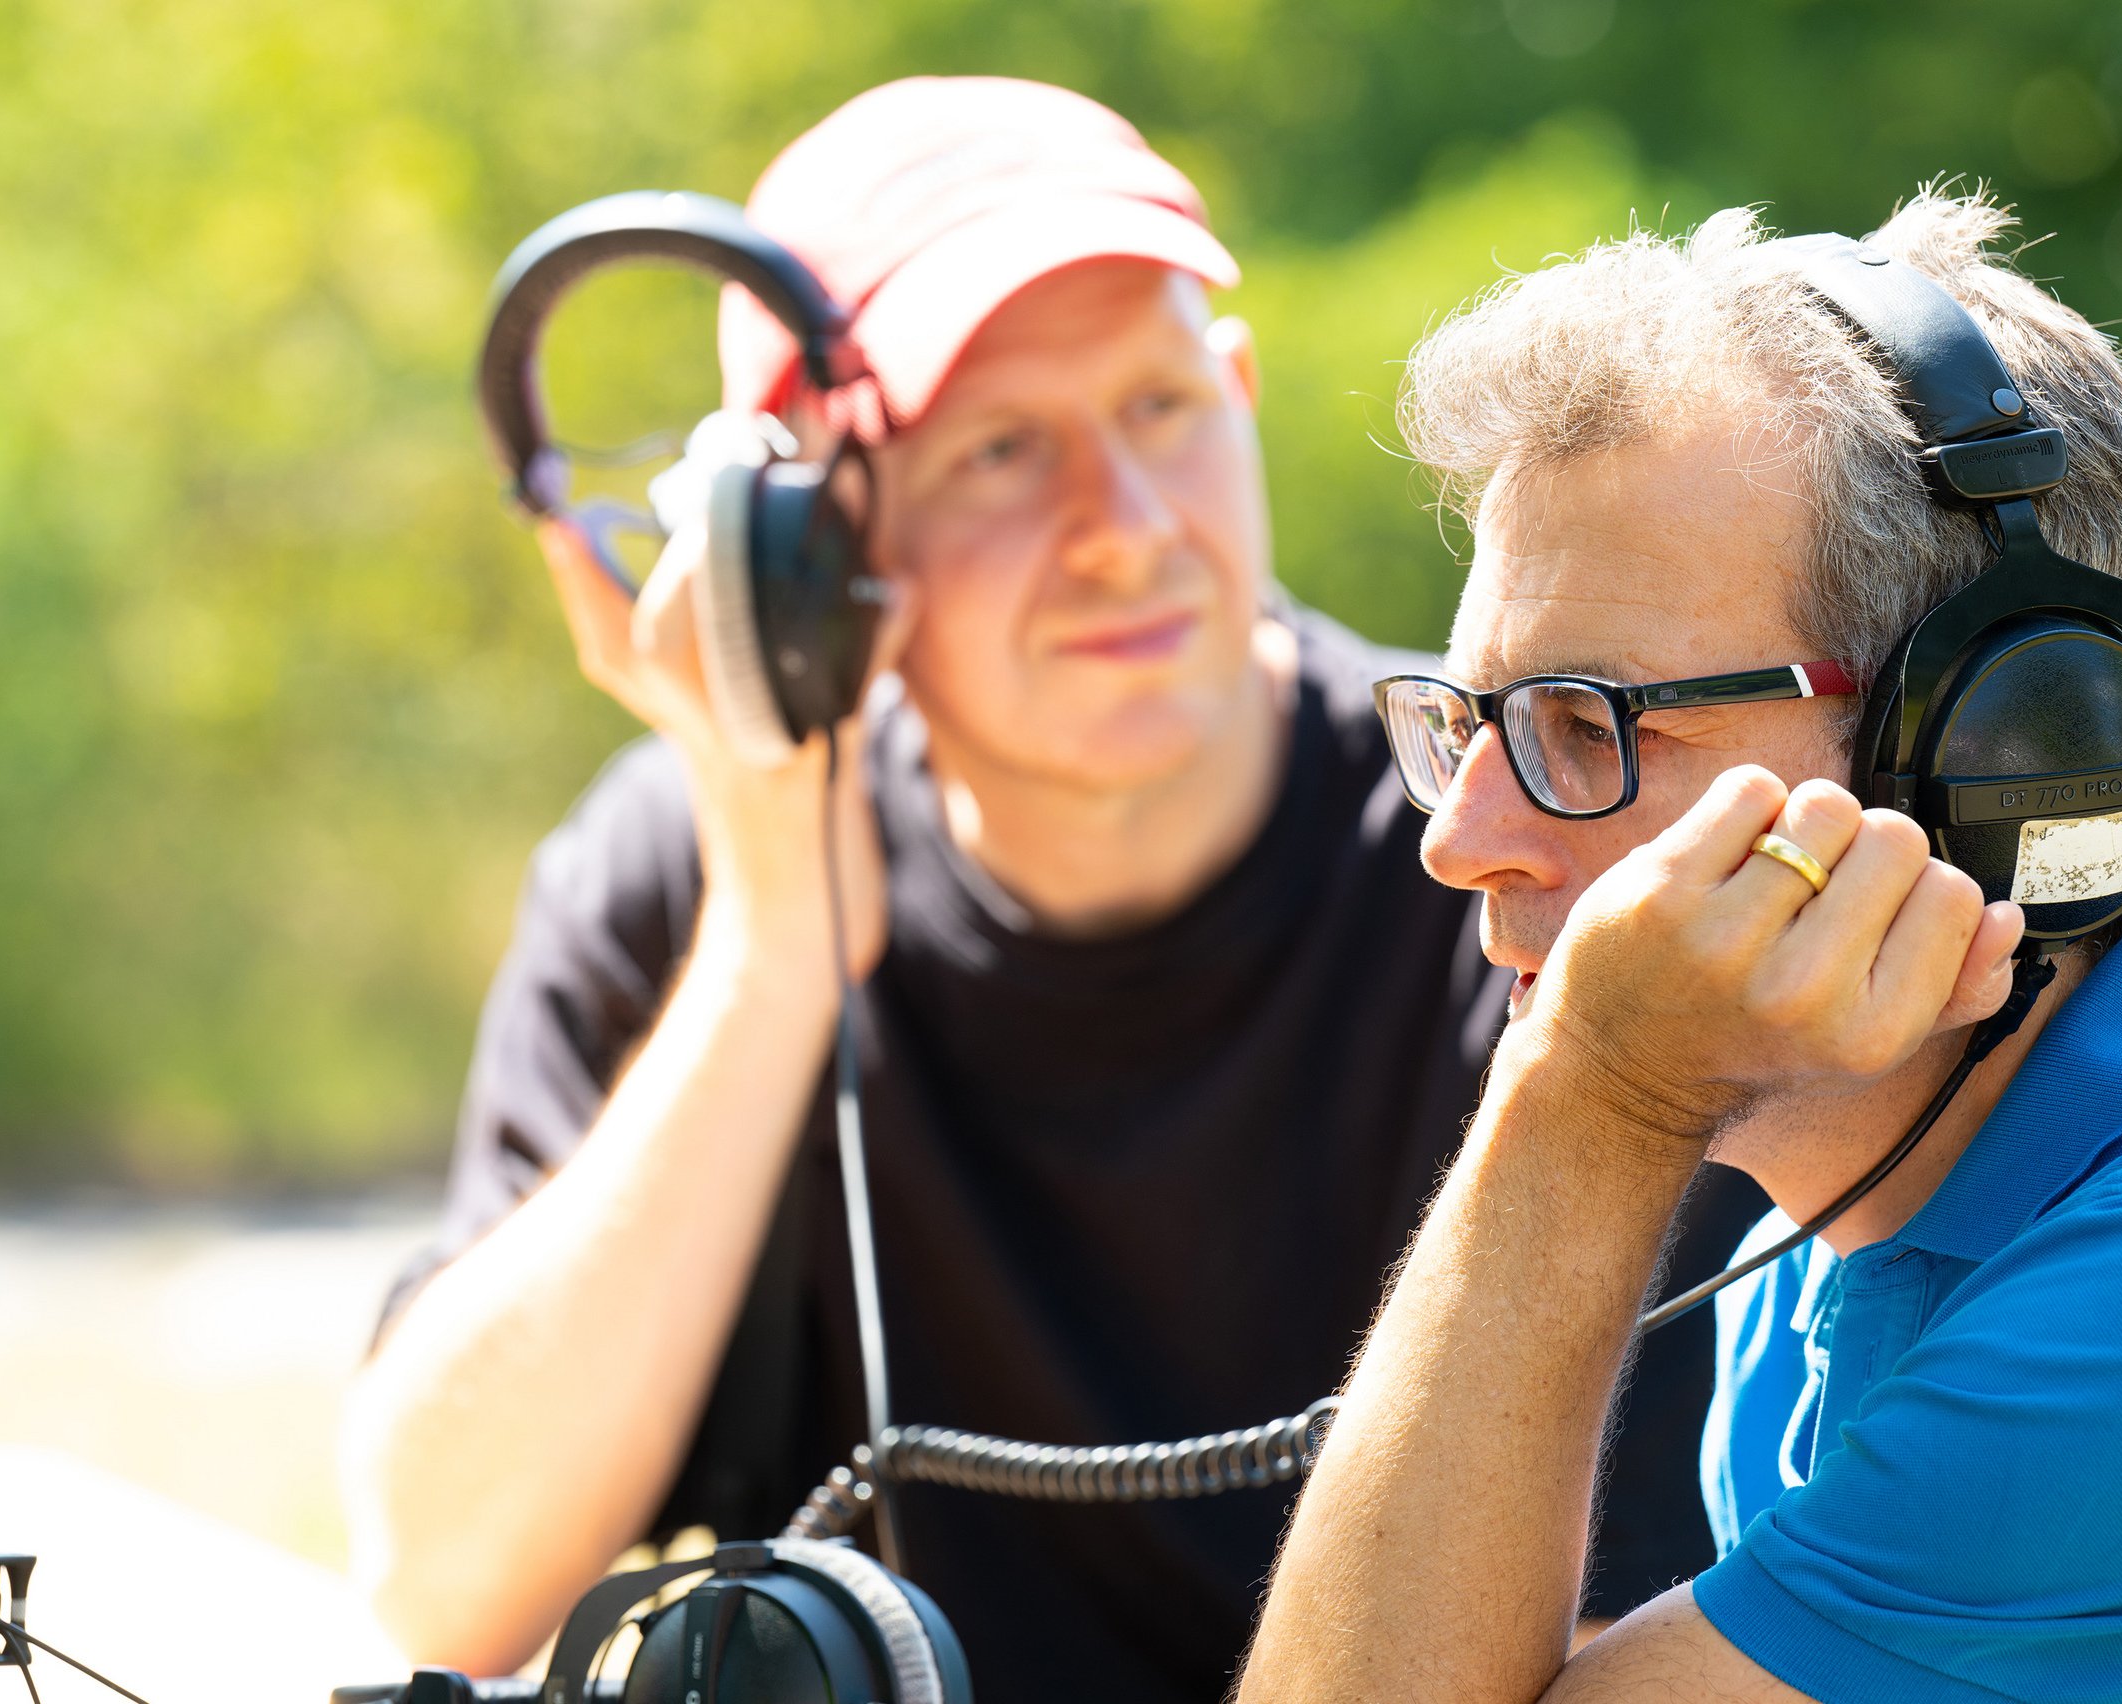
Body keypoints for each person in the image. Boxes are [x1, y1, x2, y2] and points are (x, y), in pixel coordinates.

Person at [339, 77, 1767, 1700]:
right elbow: (441, 1583)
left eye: (1159, 408)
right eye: (1002, 449)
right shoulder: (692, 872)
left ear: (1236, 393)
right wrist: (773, 943)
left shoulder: (1521, 848)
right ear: (806, 541)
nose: (1123, 529)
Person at [1238, 190, 2122, 1702]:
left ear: (2003, 755)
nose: (1458, 840)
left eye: (1579, 722)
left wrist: (1595, 1098)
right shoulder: (1824, 1231)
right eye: (1467, 723)